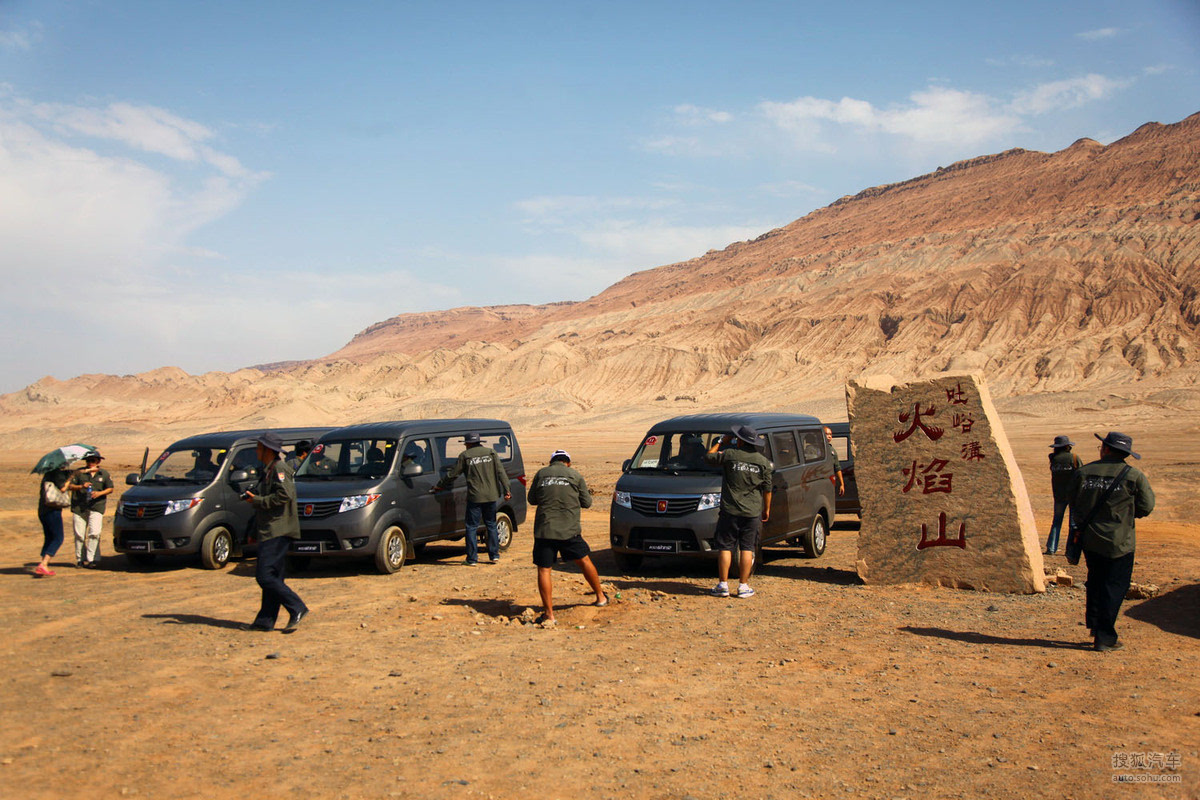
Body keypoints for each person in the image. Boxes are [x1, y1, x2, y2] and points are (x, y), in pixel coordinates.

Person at [1068, 432, 1154, 652]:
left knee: (1095, 581)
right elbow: (1146, 506)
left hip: (1090, 540)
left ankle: (1095, 626)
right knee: (1114, 587)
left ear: (1105, 449)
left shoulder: (1083, 473)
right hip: (1120, 541)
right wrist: (1125, 514)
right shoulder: (1133, 476)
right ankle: (1105, 638)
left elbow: (1073, 502)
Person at [527, 449, 607, 624]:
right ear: (568, 463)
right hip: (569, 530)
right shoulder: (575, 475)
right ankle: (600, 597)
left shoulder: (541, 474)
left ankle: (549, 614)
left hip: (545, 530)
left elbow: (532, 499)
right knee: (584, 560)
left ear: (551, 462)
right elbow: (587, 502)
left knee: (544, 569)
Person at [242, 432, 308, 633]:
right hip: (269, 529)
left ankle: (297, 607)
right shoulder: (269, 469)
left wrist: (257, 501)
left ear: (268, 450)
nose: (256, 451)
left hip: (277, 530)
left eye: (259, 447)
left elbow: (284, 495)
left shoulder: (279, 468)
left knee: (264, 576)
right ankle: (265, 621)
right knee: (273, 577)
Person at [705, 425, 773, 599]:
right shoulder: (763, 462)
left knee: (725, 547)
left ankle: (723, 584)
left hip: (730, 510)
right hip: (752, 512)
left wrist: (721, 441)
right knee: (747, 548)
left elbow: (709, 456)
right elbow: (767, 489)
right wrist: (766, 509)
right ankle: (743, 586)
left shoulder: (730, 455)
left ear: (740, 441)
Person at [432, 432, 511, 565]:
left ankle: (472, 559)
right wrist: (507, 490)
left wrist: (440, 485)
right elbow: (501, 472)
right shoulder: (491, 453)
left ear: (468, 444)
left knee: (471, 527)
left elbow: (453, 474)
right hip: (491, 495)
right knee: (491, 524)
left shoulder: (465, 455)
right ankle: (494, 555)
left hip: (475, 497)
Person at [69, 451, 113, 568]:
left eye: (93, 460)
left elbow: (110, 488)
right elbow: (70, 486)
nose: (90, 463)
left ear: (98, 461)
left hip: (96, 506)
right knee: (79, 535)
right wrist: (81, 486)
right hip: (79, 507)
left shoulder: (103, 474)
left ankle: (93, 558)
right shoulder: (79, 472)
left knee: (94, 533)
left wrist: (99, 494)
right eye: (88, 460)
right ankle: (80, 559)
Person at [1044, 435, 1082, 555]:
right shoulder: (1074, 458)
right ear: (1067, 447)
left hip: (1058, 495)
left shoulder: (1053, 459)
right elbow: (1081, 474)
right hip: (1073, 496)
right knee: (1073, 524)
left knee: (1056, 521)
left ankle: (1051, 548)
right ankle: (1070, 550)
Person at [34, 466, 72, 576]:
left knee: (49, 537)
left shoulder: (48, 474)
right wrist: (70, 478)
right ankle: (44, 564)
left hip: (42, 510)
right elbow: (63, 488)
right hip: (52, 510)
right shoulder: (57, 473)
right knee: (58, 538)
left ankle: (43, 564)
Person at [824, 426, 845, 497]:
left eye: (830, 434)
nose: (829, 436)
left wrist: (842, 484)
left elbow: (837, 467)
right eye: (827, 434)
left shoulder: (831, 450)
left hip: (829, 481)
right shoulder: (815, 448)